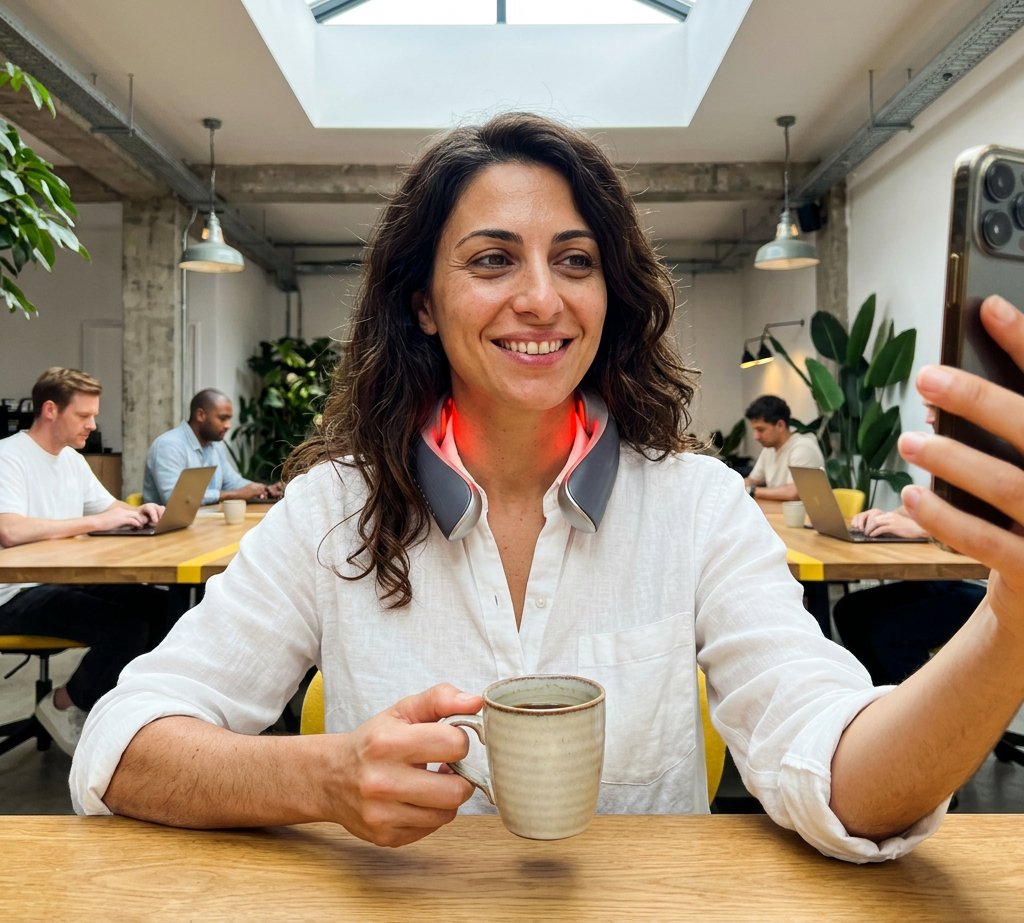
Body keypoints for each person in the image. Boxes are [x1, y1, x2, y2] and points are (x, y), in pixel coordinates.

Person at [69, 114, 1024, 864]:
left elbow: (842, 775)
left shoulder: (698, 506)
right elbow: (119, 746)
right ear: (421, 304)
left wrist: (1012, 620)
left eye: (576, 261)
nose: (542, 297)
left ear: (610, 299)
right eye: (492, 260)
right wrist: (322, 776)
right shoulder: (331, 513)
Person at [0, 368, 168, 755]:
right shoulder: (10, 457)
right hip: (14, 593)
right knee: (125, 628)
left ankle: (120, 711)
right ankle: (64, 705)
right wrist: (99, 521)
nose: (92, 425)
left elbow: (109, 508)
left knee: (161, 608)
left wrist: (140, 512)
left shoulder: (72, 460)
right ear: (50, 410)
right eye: (83, 416)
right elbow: (10, 530)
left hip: (61, 582)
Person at [833, 402, 986, 685]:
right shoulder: (952, 459)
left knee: (891, 633)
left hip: (989, 590)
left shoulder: (995, 461)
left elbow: (991, 534)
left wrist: (926, 529)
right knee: (849, 611)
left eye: (935, 410)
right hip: (951, 578)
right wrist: (884, 518)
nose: (927, 417)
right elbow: (925, 504)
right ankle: (881, 703)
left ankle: (925, 720)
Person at [142, 389, 282, 506]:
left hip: (205, 524)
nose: (228, 425)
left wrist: (265, 489)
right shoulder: (169, 445)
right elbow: (174, 499)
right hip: (166, 533)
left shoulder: (214, 445)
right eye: (223, 419)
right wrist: (234, 495)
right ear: (200, 415)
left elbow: (232, 482)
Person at [743, 395, 825, 503]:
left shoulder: (803, 448)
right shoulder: (769, 449)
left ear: (780, 425)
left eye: (761, 430)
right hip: (779, 513)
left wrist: (752, 491)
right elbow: (752, 480)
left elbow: (795, 493)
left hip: (804, 518)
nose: (756, 437)